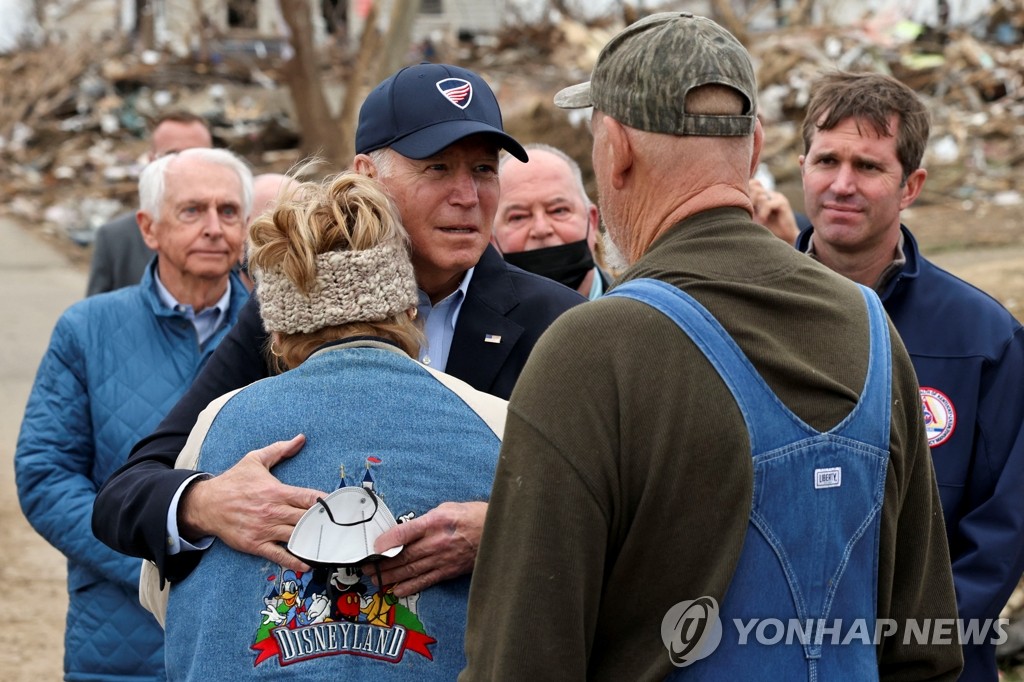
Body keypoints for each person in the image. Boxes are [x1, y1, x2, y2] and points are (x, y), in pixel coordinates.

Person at [461, 13, 961, 680]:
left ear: (616, 149)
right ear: (753, 148)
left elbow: (520, 662)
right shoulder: (867, 326)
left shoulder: (591, 350)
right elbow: (924, 648)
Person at [92, 63, 584, 604]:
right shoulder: (295, 308)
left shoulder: (558, 323)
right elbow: (126, 494)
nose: (467, 194)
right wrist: (203, 504)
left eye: (485, 170)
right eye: (438, 167)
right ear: (366, 175)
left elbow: (614, 507)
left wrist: (501, 528)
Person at [157, 171, 507, 679]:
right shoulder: (495, 420)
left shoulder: (219, 422)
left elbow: (166, 599)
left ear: (276, 333)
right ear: (409, 308)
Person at [793, 70, 1024, 681]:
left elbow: (1006, 522)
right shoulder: (741, 317)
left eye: (868, 167)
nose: (841, 185)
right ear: (800, 166)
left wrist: (918, 648)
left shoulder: (983, 338)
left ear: (911, 185)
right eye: (827, 160)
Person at [15, 147, 252, 681]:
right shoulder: (87, 329)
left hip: (246, 641)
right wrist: (150, 556)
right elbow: (45, 475)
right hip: (120, 641)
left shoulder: (283, 336)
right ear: (149, 228)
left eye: (229, 211)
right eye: (192, 211)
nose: (215, 228)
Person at [86, 111, 214, 296]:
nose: (187, 166)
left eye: (197, 156)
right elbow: (96, 319)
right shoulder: (116, 239)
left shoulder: (236, 236)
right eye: (174, 155)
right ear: (152, 161)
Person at [493, 143, 612, 299]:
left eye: (559, 210)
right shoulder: (464, 321)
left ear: (592, 220)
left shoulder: (645, 309)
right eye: (518, 217)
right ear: (491, 238)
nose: (541, 229)